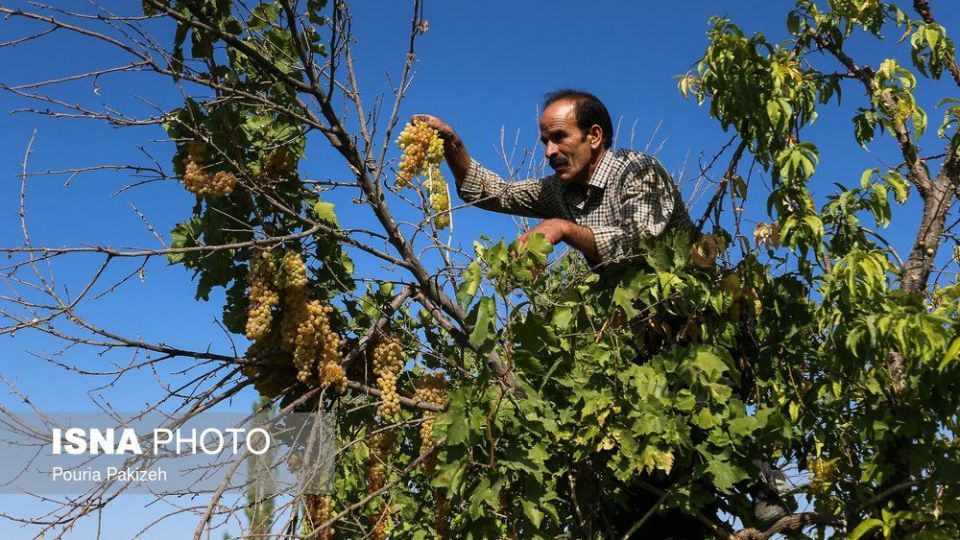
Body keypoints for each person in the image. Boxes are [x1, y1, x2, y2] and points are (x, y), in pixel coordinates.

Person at [413, 89, 693, 269]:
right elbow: (494, 192)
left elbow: (636, 243)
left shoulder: (641, 172)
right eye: (545, 141)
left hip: (690, 321)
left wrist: (563, 228)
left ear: (594, 136)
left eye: (559, 137)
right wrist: (452, 143)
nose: (549, 151)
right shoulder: (560, 188)